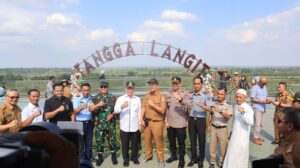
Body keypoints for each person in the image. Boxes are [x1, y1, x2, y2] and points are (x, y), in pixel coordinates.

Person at [89, 81, 118, 166]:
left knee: (112, 141)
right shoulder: (94, 98)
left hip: (110, 124)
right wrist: (98, 104)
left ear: (108, 88)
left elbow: (117, 110)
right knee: (99, 142)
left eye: (105, 87)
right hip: (99, 125)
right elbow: (90, 109)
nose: (103, 88)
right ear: (99, 88)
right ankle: (100, 157)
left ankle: (113, 156)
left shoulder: (113, 97)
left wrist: (112, 115)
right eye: (102, 87)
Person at [223, 89, 254, 168]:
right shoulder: (236, 106)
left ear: (245, 98)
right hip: (234, 135)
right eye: (237, 97)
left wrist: (243, 112)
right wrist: (231, 131)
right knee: (231, 153)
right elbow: (234, 120)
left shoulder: (248, 108)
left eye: (240, 97)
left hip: (243, 137)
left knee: (240, 155)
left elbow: (250, 121)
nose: (238, 99)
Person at [140, 78, 166, 168]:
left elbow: (162, 111)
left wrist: (152, 105)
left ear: (157, 85)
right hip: (147, 122)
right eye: (150, 84)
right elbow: (143, 107)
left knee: (158, 142)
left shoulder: (161, 96)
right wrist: (141, 119)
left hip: (157, 122)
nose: (151, 86)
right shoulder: (146, 96)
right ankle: (148, 155)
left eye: (153, 84)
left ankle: (161, 159)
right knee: (147, 141)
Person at [187, 76, 212, 168]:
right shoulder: (190, 94)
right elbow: (187, 106)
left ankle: (201, 159)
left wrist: (202, 106)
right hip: (191, 120)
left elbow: (210, 109)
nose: (196, 85)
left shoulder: (206, 95)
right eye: (195, 83)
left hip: (201, 120)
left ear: (201, 84)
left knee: (201, 141)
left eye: (198, 84)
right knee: (192, 140)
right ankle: (194, 158)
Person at [114, 81, 141, 167]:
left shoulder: (137, 99)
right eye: (128, 88)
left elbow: (139, 112)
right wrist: (122, 106)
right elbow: (116, 110)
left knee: (135, 144)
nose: (130, 90)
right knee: (125, 145)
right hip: (124, 127)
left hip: (135, 126)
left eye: (131, 88)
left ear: (134, 89)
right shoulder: (121, 99)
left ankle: (134, 157)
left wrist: (140, 124)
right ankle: (126, 159)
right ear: (125, 89)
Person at [165, 76, 189, 168]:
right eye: (173, 83)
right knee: (171, 142)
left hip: (180, 123)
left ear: (180, 84)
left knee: (181, 143)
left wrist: (181, 99)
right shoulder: (169, 94)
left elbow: (189, 105)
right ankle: (174, 156)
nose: (175, 85)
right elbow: (167, 108)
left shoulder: (184, 94)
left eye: (177, 83)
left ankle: (181, 160)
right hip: (170, 123)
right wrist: (166, 120)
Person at [207, 88, 233, 168]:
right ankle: (212, 163)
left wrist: (220, 112)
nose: (219, 95)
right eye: (218, 93)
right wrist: (208, 125)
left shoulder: (228, 104)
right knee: (212, 147)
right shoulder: (214, 103)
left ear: (225, 95)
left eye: (221, 94)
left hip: (223, 129)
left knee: (223, 148)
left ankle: (221, 162)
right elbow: (211, 114)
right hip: (213, 127)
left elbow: (228, 117)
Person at [72, 83, 93, 162]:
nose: (86, 92)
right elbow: (74, 111)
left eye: (87, 90)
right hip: (80, 123)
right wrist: (81, 108)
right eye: (84, 90)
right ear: (81, 90)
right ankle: (81, 159)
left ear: (89, 90)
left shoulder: (92, 98)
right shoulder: (77, 98)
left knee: (89, 142)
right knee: (80, 143)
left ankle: (89, 157)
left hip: (89, 122)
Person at [250, 76, 272, 145]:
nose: (264, 85)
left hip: (263, 107)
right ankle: (255, 138)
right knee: (257, 123)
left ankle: (257, 136)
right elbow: (252, 99)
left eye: (265, 83)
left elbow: (264, 96)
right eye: (263, 83)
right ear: (259, 82)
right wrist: (263, 101)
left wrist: (267, 100)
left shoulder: (264, 87)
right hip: (257, 108)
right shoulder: (254, 88)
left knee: (261, 124)